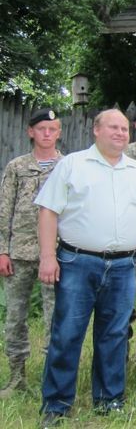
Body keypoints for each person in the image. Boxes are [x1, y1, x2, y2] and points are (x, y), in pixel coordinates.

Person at [36, 109, 136, 422]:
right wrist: (48, 256)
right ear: (96, 130)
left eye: (124, 129)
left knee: (115, 335)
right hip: (78, 262)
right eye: (114, 127)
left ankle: (109, 400)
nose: (121, 133)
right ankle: (56, 405)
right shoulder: (72, 165)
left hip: (123, 266)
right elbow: (48, 211)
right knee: (67, 333)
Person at [0, 108, 62, 398]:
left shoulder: (68, 166)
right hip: (19, 253)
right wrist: (2, 251)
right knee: (15, 316)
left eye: (52, 129)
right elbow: (4, 210)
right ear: (31, 132)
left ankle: (50, 377)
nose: (47, 134)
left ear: (59, 132)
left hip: (57, 255)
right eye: (42, 129)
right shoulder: (16, 167)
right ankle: (16, 376)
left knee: (55, 318)